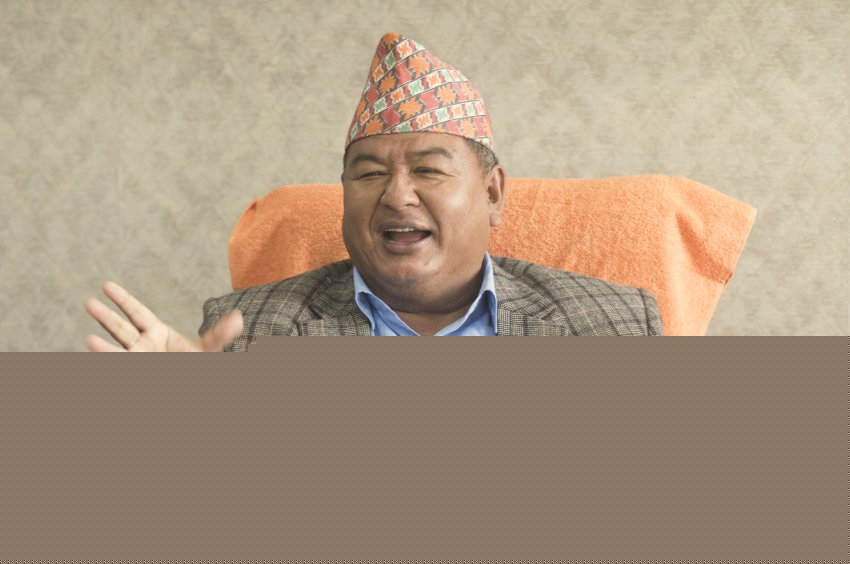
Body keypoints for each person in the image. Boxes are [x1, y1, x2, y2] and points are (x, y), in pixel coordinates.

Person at [85, 32, 663, 351]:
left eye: (429, 170)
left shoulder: (612, 322)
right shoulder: (250, 332)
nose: (396, 195)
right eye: (368, 174)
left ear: (492, 194)